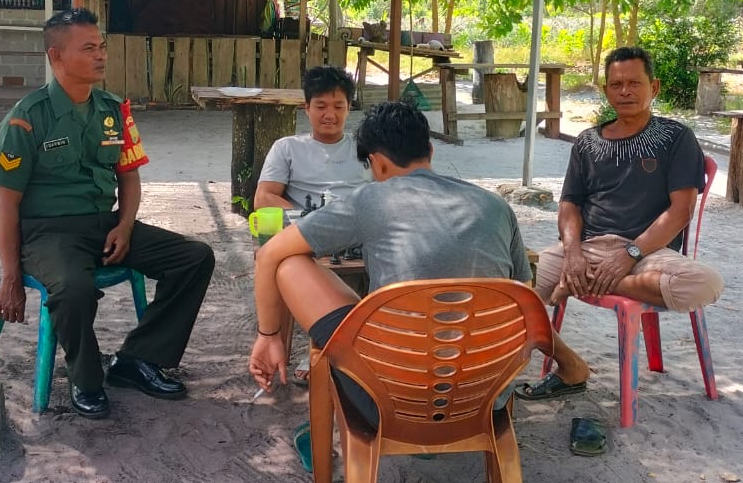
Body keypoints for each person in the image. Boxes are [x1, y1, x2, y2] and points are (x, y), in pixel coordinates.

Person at [247, 101, 589, 433]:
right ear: (430, 150)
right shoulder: (495, 206)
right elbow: (526, 304)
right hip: (484, 395)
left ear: (376, 163)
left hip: (390, 400)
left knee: (289, 262)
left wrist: (269, 335)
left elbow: (269, 254)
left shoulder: (368, 200)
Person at [0, 8, 215, 419]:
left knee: (194, 256)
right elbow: (7, 206)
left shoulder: (114, 110)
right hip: (47, 234)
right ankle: (86, 378)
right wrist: (10, 277)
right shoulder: (26, 120)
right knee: (73, 290)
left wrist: (126, 226)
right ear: (56, 56)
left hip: (105, 224)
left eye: (102, 47)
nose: (101, 56)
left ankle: (138, 359)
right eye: (88, 48)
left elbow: (129, 177)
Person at [521, 46, 723, 399]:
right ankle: (568, 367)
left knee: (705, 283)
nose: (625, 91)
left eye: (634, 83)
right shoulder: (587, 142)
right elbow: (570, 204)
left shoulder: (676, 138)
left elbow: (680, 212)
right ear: (605, 90)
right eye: (616, 84)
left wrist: (629, 255)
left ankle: (602, 283)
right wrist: (572, 254)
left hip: (648, 251)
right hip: (586, 251)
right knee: (512, 292)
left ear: (654, 87)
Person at [254, 65, 366, 211]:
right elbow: (263, 198)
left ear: (349, 108)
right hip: (304, 229)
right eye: (321, 107)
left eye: (338, 107)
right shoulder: (287, 148)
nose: (330, 115)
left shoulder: (367, 147)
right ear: (307, 108)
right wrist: (307, 222)